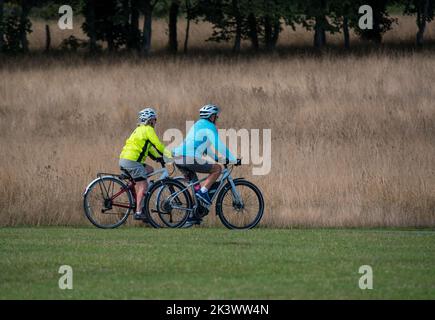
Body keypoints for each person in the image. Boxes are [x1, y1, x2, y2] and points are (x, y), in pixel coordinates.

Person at [172, 104, 238, 225]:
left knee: (195, 186)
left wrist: (217, 158)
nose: (216, 119)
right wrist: (232, 158)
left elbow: (204, 147)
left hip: (178, 158)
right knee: (217, 169)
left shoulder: (197, 125)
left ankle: (193, 216)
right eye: (216, 117)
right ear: (211, 117)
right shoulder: (210, 126)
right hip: (189, 157)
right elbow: (218, 145)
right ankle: (203, 193)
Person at [119, 107, 171, 221]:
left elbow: (149, 148)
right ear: (149, 120)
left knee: (150, 169)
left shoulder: (138, 129)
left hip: (125, 160)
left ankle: (136, 192)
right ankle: (138, 211)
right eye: (154, 119)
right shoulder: (148, 129)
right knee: (143, 185)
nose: (155, 122)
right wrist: (170, 155)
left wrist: (158, 157)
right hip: (132, 161)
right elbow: (158, 145)